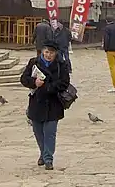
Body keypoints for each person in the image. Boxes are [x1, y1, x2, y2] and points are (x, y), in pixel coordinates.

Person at [20, 40, 71, 171]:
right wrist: (34, 82)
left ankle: (48, 158)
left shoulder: (61, 65)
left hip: (53, 103)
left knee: (50, 132)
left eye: (51, 53)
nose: (48, 55)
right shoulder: (34, 62)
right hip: (37, 103)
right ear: (42, 51)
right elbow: (23, 79)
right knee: (38, 132)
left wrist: (48, 87)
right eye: (47, 52)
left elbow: (65, 82)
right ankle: (43, 153)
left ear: (56, 53)